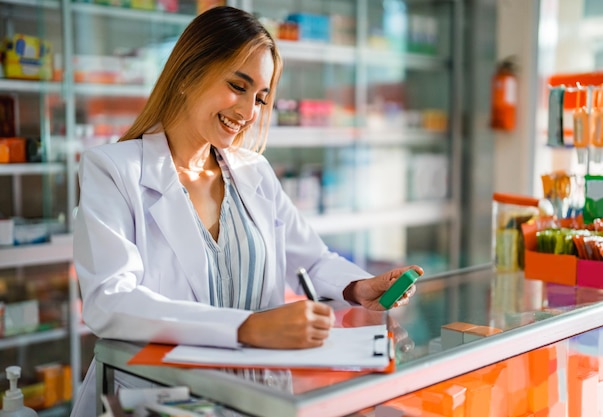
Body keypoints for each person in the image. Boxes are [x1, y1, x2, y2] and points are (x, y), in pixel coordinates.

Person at [70, 5, 423, 417]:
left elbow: (310, 259)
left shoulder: (252, 172)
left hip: (258, 399)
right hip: (163, 397)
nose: (249, 112)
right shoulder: (114, 170)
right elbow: (110, 301)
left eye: (260, 97)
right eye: (238, 86)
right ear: (187, 74)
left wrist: (358, 288)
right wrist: (246, 328)